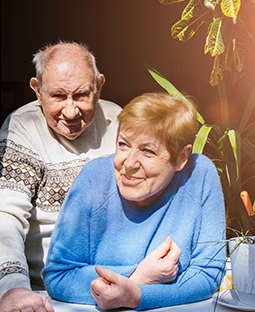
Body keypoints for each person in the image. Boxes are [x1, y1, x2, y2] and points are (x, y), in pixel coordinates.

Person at [43, 92, 227, 310]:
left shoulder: (199, 175)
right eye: (123, 144)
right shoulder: (94, 179)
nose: (128, 163)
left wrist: (136, 295)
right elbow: (59, 275)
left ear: (181, 158)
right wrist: (139, 276)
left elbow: (208, 273)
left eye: (147, 151)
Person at [0, 41, 122, 311]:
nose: (70, 111)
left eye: (81, 95)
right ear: (37, 89)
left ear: (99, 86)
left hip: (118, 284)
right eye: (58, 96)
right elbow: (4, 216)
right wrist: (13, 289)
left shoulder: (118, 121)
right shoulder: (22, 127)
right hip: (46, 293)